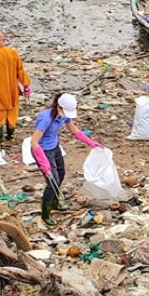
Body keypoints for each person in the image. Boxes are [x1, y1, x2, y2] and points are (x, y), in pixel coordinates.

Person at [31, 93, 103, 225]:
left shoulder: (63, 116)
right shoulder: (45, 118)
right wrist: (44, 163)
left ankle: (54, 202)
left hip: (54, 146)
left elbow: (73, 129)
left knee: (61, 173)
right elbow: (34, 142)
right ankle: (45, 212)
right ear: (58, 107)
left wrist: (90, 142)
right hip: (42, 150)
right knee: (52, 180)